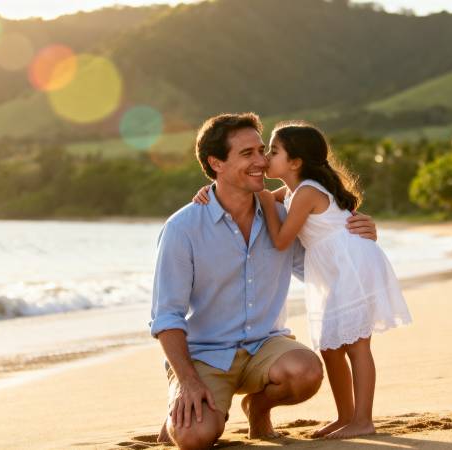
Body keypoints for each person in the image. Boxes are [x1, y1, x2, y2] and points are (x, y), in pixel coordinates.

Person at [151, 112, 378, 449]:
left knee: (307, 372)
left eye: (263, 151)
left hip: (266, 346)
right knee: (194, 438)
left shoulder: (286, 216)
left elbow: (320, 265)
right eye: (248, 154)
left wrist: (360, 236)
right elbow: (166, 316)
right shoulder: (182, 229)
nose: (261, 161)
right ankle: (184, 405)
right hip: (206, 355)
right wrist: (186, 381)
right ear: (216, 163)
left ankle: (257, 407)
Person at [195, 120, 412, 439]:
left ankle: (363, 419)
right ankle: (345, 417)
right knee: (330, 346)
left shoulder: (308, 191)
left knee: (356, 346)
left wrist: (269, 205)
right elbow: (254, 195)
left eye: (273, 151)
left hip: (350, 266)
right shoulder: (297, 189)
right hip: (333, 270)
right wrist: (209, 192)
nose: (266, 157)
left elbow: (281, 239)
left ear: (295, 162)